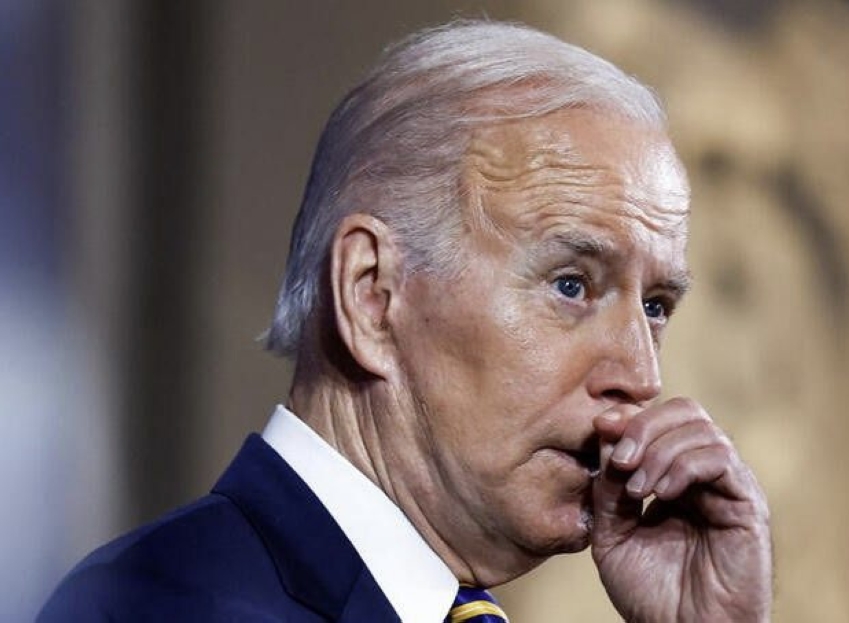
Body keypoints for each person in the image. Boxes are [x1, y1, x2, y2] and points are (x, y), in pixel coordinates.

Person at [39, 20, 772, 622]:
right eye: (572, 284)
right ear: (371, 294)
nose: (642, 376)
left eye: (655, 306)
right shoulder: (166, 604)